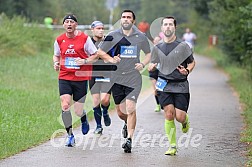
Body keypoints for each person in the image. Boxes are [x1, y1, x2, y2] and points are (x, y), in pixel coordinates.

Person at [97, 9, 151, 153]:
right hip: (117, 77)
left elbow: (149, 53)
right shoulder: (113, 35)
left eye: (128, 17)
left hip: (133, 76)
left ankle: (130, 140)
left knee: (131, 108)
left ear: (133, 21)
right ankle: (127, 123)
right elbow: (100, 52)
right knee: (121, 113)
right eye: (123, 17)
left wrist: (143, 64)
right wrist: (111, 59)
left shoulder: (140, 36)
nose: (126, 19)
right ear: (121, 20)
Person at [148, 16, 196, 155]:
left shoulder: (183, 46)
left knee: (179, 116)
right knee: (169, 114)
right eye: (165, 25)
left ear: (174, 27)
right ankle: (172, 146)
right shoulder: (157, 47)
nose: (168, 27)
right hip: (164, 84)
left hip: (180, 85)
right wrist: (151, 66)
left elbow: (192, 62)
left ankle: (185, 121)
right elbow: (153, 63)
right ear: (162, 28)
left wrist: (187, 70)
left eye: (170, 24)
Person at [53, 14, 98, 147]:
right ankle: (70, 135)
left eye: (71, 22)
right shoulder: (59, 40)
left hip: (81, 77)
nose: (69, 24)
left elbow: (95, 55)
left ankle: (83, 118)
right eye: (66, 22)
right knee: (65, 105)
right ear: (63, 25)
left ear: (76, 25)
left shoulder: (84, 39)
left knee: (78, 110)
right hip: (65, 77)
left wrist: (84, 60)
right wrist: (56, 63)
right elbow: (56, 55)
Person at [89, 21, 112, 134]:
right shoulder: (88, 42)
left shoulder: (108, 41)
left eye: (102, 28)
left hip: (107, 73)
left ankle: (106, 111)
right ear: (92, 29)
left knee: (105, 100)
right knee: (96, 101)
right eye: (98, 28)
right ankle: (98, 126)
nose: (101, 30)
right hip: (93, 74)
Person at [149, 35, 162, 112]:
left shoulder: (163, 49)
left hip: (161, 71)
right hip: (153, 71)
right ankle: (158, 105)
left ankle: (164, 103)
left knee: (161, 89)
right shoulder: (151, 49)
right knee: (155, 89)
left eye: (158, 41)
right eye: (155, 41)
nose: (157, 42)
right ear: (153, 41)